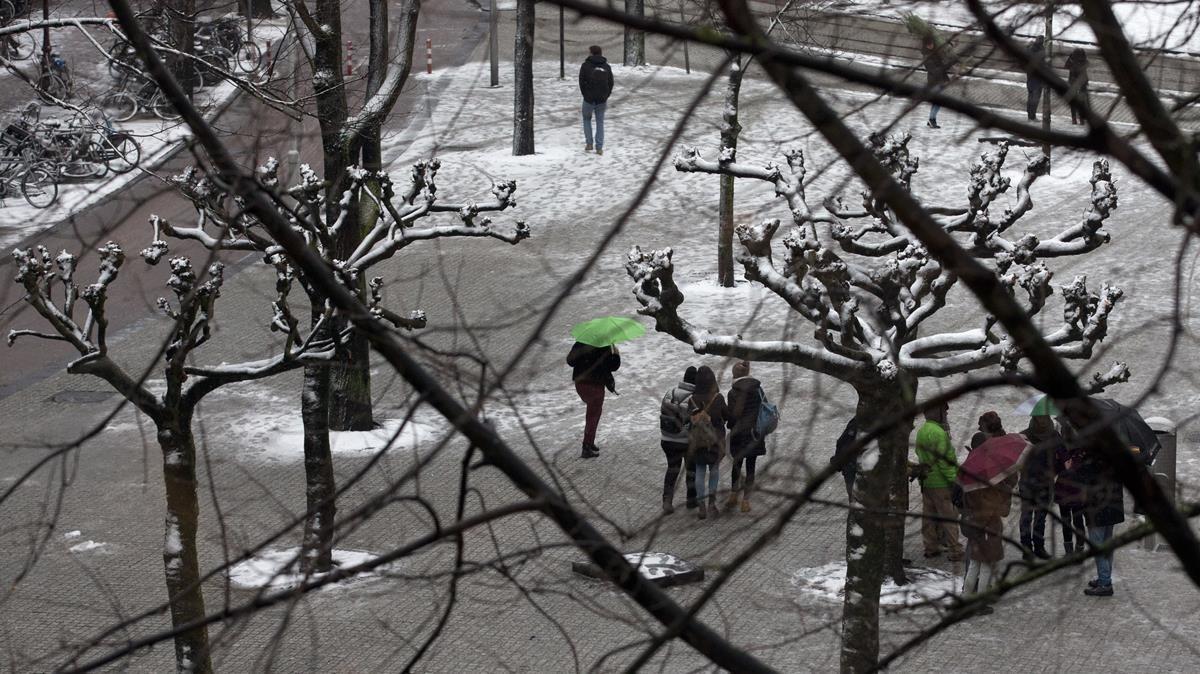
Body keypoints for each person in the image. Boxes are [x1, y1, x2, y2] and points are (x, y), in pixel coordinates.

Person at [960, 412, 1019, 607]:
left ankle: (967, 597)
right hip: (989, 525)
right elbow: (1001, 508)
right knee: (985, 566)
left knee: (975, 564)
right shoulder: (994, 477)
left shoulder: (970, 473)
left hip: (975, 523)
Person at [913, 401, 964, 561]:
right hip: (941, 483)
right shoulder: (939, 433)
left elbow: (918, 452)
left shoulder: (922, 431)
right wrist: (954, 479)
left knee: (928, 516)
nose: (947, 416)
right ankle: (955, 550)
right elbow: (945, 461)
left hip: (927, 482)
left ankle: (930, 547)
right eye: (945, 412)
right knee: (949, 517)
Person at [1078, 445, 1125, 596]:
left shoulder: (1091, 462)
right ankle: (1104, 577)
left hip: (1097, 510)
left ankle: (1105, 583)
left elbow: (1084, 482)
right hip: (1112, 508)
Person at [566, 341, 620, 459]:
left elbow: (570, 361)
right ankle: (587, 447)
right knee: (593, 415)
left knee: (593, 413)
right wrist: (616, 354)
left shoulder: (580, 343)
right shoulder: (603, 345)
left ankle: (589, 442)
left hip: (580, 384)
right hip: (595, 385)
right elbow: (612, 366)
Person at [724, 360, 766, 512]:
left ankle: (733, 494)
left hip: (739, 434)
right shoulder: (758, 389)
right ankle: (746, 501)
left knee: (737, 465)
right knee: (751, 467)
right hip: (755, 434)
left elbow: (733, 416)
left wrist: (730, 425)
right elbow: (764, 407)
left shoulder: (733, 393)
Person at [688, 366, 728, 520]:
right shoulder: (717, 398)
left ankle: (701, 505)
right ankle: (712, 502)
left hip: (698, 442)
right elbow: (727, 415)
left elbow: (687, 420)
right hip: (715, 441)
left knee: (699, 471)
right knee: (714, 470)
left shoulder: (692, 399)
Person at [1018, 415, 1060, 560]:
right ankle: (1038, 546)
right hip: (1044, 484)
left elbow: (1017, 461)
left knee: (1027, 517)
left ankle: (1027, 548)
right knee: (1039, 518)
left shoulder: (1023, 436)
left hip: (1028, 483)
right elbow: (1061, 459)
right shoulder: (1055, 437)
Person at [660, 366, 698, 512]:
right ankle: (691, 500)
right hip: (685, 441)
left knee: (672, 470)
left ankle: (667, 501)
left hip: (667, 438)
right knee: (691, 470)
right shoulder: (694, 398)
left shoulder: (671, 392)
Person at [1053, 421, 1089, 554]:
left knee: (1069, 522)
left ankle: (1073, 551)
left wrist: (1067, 465)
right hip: (1073, 491)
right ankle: (1075, 550)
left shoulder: (1077, 452)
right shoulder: (1068, 451)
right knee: (1073, 521)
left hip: (1068, 491)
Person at [578, 45, 614, 155]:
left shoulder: (585, 66)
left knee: (586, 119)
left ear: (591, 53)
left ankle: (589, 144)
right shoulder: (607, 67)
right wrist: (606, 95)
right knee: (600, 122)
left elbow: (581, 82)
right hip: (602, 99)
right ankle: (599, 148)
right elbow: (611, 83)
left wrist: (585, 94)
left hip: (588, 98)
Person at [921, 35, 951, 128]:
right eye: (928, 44)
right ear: (925, 45)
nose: (931, 45)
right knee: (938, 102)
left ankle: (931, 119)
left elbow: (942, 63)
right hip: (934, 81)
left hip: (939, 80)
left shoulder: (935, 53)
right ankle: (931, 119)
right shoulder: (927, 56)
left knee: (936, 102)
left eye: (932, 43)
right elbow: (933, 70)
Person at [833, 416, 860, 500]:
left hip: (851, 467)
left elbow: (843, 444)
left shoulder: (857, 422)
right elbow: (843, 443)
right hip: (851, 466)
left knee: (855, 498)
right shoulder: (857, 422)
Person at [1065, 48, 1090, 125]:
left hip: (1073, 83)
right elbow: (1088, 64)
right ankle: (1081, 119)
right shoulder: (1084, 60)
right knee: (1082, 102)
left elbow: (1066, 66)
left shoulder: (1072, 60)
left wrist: (1070, 58)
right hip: (1082, 83)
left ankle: (1074, 119)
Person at [1025, 38, 1045, 121]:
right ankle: (1032, 116)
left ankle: (1030, 115)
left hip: (1030, 77)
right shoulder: (1040, 51)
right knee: (1035, 98)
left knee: (1030, 97)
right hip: (1037, 78)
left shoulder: (1028, 50)